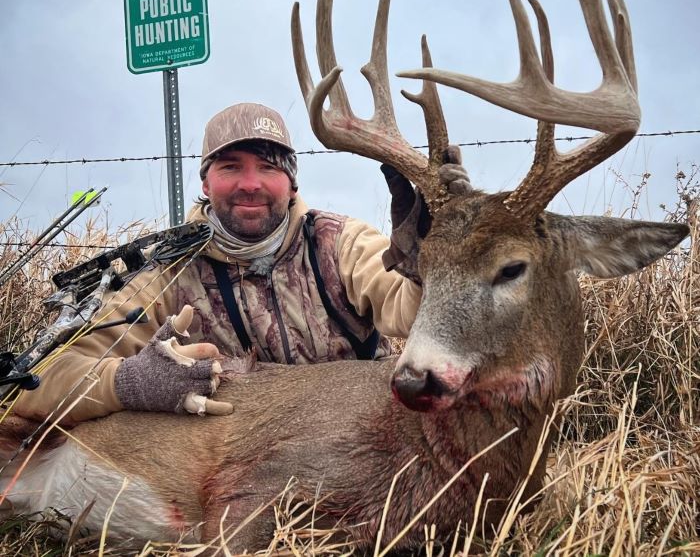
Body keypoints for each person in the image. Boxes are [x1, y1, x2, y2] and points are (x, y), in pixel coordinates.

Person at [13, 103, 465, 425]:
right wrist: (128, 383)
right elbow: (39, 383)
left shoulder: (339, 242)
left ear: (291, 183)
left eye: (268, 168)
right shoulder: (167, 271)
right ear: (206, 182)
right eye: (230, 167)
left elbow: (410, 310)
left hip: (362, 437)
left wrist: (430, 251)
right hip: (241, 465)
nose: (251, 184)